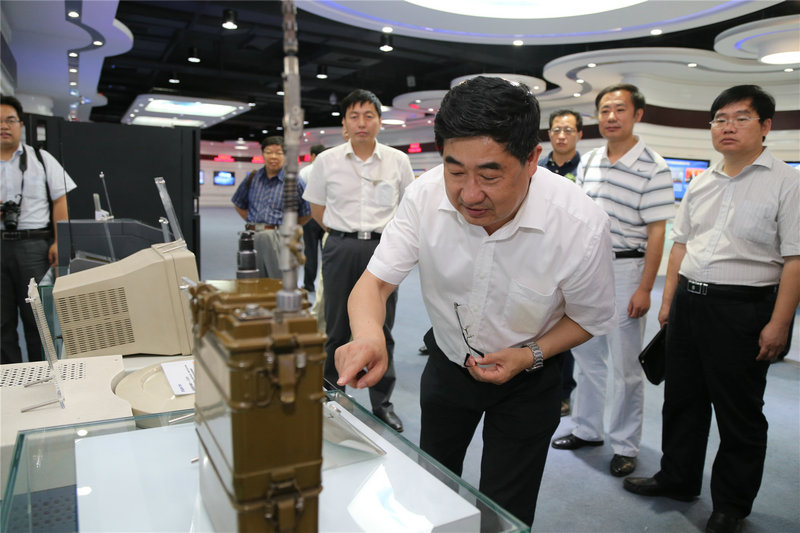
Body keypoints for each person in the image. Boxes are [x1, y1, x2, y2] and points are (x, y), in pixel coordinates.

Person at [333, 76, 617, 525]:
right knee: (432, 483)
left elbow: (589, 319)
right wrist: (369, 336)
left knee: (506, 508)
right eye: (455, 171)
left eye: (489, 175)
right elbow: (374, 283)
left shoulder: (579, 225)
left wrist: (528, 354)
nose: (469, 194)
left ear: (531, 159)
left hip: (530, 377)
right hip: (449, 362)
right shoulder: (424, 196)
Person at [624, 85, 800, 533]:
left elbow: (796, 259)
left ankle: (731, 505)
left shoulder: (788, 182)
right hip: (689, 304)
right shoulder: (701, 181)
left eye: (741, 118)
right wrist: (668, 303)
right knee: (682, 401)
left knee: (739, 413)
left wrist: (780, 324)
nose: (727, 126)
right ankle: (678, 478)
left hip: (743, 309)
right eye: (720, 119)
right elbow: (681, 245)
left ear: (765, 126)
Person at [551, 83, 674, 478]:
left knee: (625, 366)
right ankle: (587, 429)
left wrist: (645, 287)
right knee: (586, 356)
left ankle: (625, 445)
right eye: (604, 110)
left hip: (627, 269)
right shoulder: (589, 161)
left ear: (637, 115)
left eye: (620, 109)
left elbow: (657, 232)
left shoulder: (654, 166)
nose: (611, 117)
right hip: (587, 270)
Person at [302, 89, 414, 432]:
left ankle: (382, 403)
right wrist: (342, 235)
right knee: (335, 326)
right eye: (354, 116)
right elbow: (317, 209)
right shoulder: (326, 161)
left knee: (382, 328)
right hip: (340, 246)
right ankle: (330, 394)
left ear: (380, 121)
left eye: (369, 115)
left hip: (383, 250)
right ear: (345, 123)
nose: (362, 122)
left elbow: (407, 207)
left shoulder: (397, 161)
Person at [1, 95, 76, 364]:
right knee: (1, 323)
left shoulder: (41, 159)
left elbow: (60, 200)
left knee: (39, 319)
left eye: (10, 120)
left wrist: (59, 242)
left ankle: (45, 372)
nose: (4, 126)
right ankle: (8, 378)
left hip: (34, 247)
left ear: (21, 125)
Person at [538, 108, 584, 416]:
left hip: (572, 260)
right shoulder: (538, 167)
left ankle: (564, 391)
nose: (562, 136)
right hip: (539, 257)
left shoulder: (586, 169)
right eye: (556, 130)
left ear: (579, 134)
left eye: (568, 130)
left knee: (567, 329)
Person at [231, 136, 311, 278]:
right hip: (252, 237)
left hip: (280, 238)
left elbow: (307, 212)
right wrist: (254, 223)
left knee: (279, 280)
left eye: (278, 153)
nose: (273, 157)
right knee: (251, 279)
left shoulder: (294, 182)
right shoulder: (253, 178)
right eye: (268, 152)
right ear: (262, 154)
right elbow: (239, 204)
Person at [298, 144, 326, 292]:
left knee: (310, 252)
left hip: (309, 217)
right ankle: (326, 285)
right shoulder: (329, 170)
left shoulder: (305, 171)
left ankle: (309, 285)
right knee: (327, 253)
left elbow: (300, 196)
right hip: (326, 217)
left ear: (313, 156)